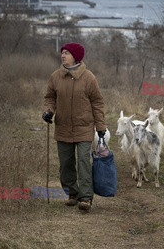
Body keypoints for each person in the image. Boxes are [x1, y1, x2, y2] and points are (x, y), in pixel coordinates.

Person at [42, 42, 106, 211]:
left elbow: (97, 102)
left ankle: (85, 197)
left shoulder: (89, 77)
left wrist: (100, 125)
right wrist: (48, 111)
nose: (63, 55)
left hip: (84, 127)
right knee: (66, 164)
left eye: (67, 53)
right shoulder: (55, 76)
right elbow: (49, 97)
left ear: (76, 56)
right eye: (62, 53)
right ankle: (72, 193)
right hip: (62, 127)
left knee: (84, 161)